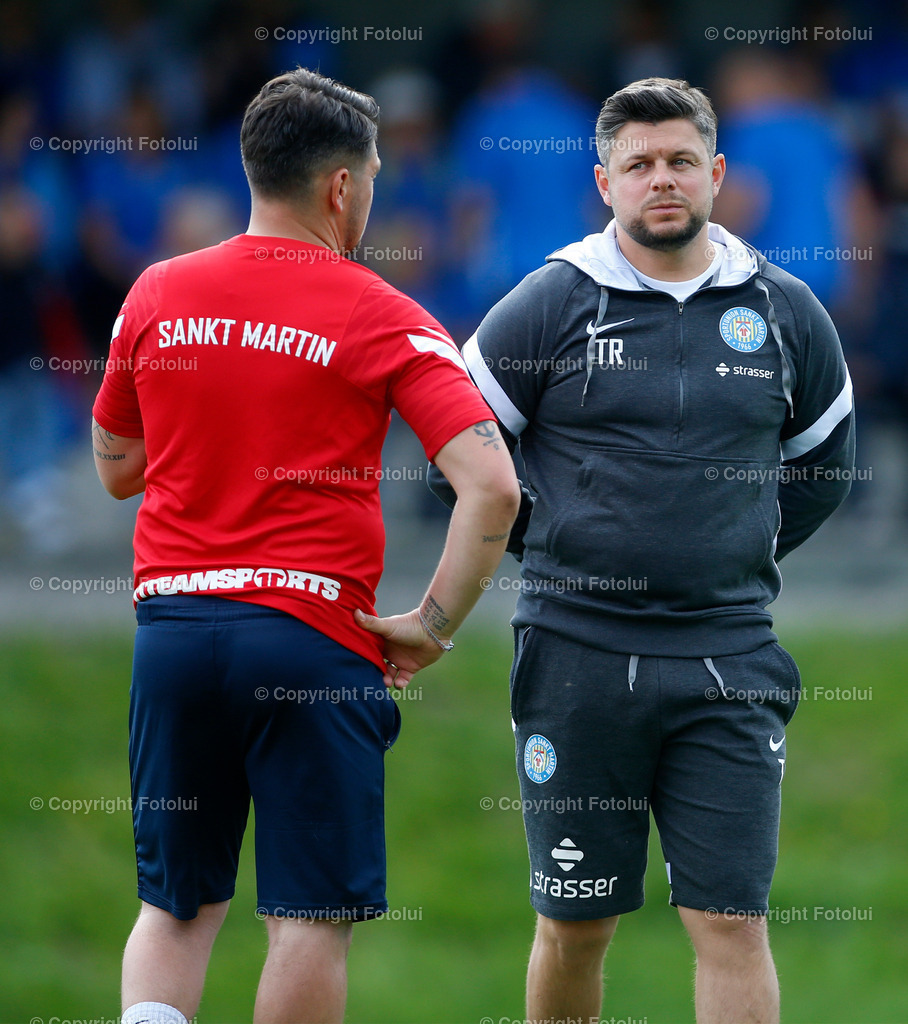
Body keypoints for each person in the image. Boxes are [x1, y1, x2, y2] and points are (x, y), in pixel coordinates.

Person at [91, 67, 519, 1024]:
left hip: (173, 629)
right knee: (309, 917)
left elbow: (118, 465)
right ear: (342, 188)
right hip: (309, 633)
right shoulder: (384, 312)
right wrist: (434, 624)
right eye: (371, 176)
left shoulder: (157, 292)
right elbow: (490, 483)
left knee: (175, 905)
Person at [430, 77, 854, 1023]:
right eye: (639, 164)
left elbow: (825, 471)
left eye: (679, 161)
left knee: (733, 923)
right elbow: (457, 461)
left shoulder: (784, 312)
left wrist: (723, 545)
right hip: (575, 655)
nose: (661, 179)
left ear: (717, 174)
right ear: (604, 181)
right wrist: (571, 544)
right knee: (574, 929)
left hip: (729, 656)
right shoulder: (548, 303)